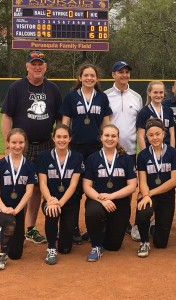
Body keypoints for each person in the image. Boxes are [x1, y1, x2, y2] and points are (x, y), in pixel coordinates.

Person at [0, 50, 62, 244]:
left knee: (36, 188)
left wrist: (59, 143)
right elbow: (6, 116)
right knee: (17, 186)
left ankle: (30, 228)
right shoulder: (17, 87)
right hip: (21, 147)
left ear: (45, 67)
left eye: (40, 64)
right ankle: (11, 224)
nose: (37, 67)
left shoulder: (53, 89)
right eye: (33, 64)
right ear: (27, 66)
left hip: (45, 145)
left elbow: (60, 119)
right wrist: (8, 144)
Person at [61, 63, 112, 243]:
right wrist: (64, 144)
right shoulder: (71, 97)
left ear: (97, 79)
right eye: (86, 75)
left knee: (96, 188)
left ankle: (95, 227)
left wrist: (108, 145)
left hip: (96, 150)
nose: (89, 78)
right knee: (74, 190)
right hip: (75, 149)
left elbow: (106, 123)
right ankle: (73, 228)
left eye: (92, 76)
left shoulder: (102, 98)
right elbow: (65, 122)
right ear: (80, 78)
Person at [82, 124, 138, 261]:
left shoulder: (126, 159)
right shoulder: (92, 158)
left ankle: (96, 231)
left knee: (113, 246)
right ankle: (96, 245)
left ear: (118, 138)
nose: (110, 138)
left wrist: (112, 196)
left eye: (113, 136)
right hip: (98, 201)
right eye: (106, 135)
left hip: (119, 203)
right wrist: (103, 200)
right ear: (101, 137)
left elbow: (132, 185)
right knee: (94, 212)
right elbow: (87, 186)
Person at [0, 128, 37, 270]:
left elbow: (29, 192)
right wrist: (3, 208)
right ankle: (2, 255)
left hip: (17, 210)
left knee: (16, 254)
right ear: (8, 143)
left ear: (25, 143)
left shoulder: (29, 166)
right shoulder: (0, 164)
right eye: (14, 142)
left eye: (21, 142)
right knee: (9, 223)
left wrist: (17, 209)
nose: (17, 146)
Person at [104, 61, 143, 238]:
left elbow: (140, 125)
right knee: (107, 183)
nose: (124, 75)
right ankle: (105, 218)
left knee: (128, 188)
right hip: (109, 151)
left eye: (127, 72)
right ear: (113, 75)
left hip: (129, 150)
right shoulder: (104, 96)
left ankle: (123, 220)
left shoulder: (136, 97)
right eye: (120, 72)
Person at [37, 124, 84, 265]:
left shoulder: (77, 157)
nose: (61, 140)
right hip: (50, 200)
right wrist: (50, 200)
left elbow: (74, 184)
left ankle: (63, 235)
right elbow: (42, 183)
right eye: (58, 137)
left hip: (69, 202)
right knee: (52, 211)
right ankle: (51, 247)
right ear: (53, 138)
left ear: (70, 139)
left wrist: (60, 202)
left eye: (65, 137)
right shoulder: (44, 156)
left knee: (65, 248)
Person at [135, 118, 176, 257]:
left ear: (163, 133)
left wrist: (150, 193)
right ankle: (144, 241)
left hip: (166, 195)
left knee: (161, 243)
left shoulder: (173, 153)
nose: (155, 137)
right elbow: (142, 180)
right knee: (143, 211)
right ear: (146, 136)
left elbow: (174, 181)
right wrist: (146, 195)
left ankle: (154, 228)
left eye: (157, 134)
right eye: (151, 135)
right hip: (148, 195)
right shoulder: (143, 155)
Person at [136, 81, 176, 150]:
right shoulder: (144, 112)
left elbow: (172, 133)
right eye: (155, 92)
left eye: (161, 92)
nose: (158, 95)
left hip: (166, 150)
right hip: (150, 150)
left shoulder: (169, 111)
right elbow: (140, 136)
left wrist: (172, 152)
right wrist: (145, 154)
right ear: (149, 93)